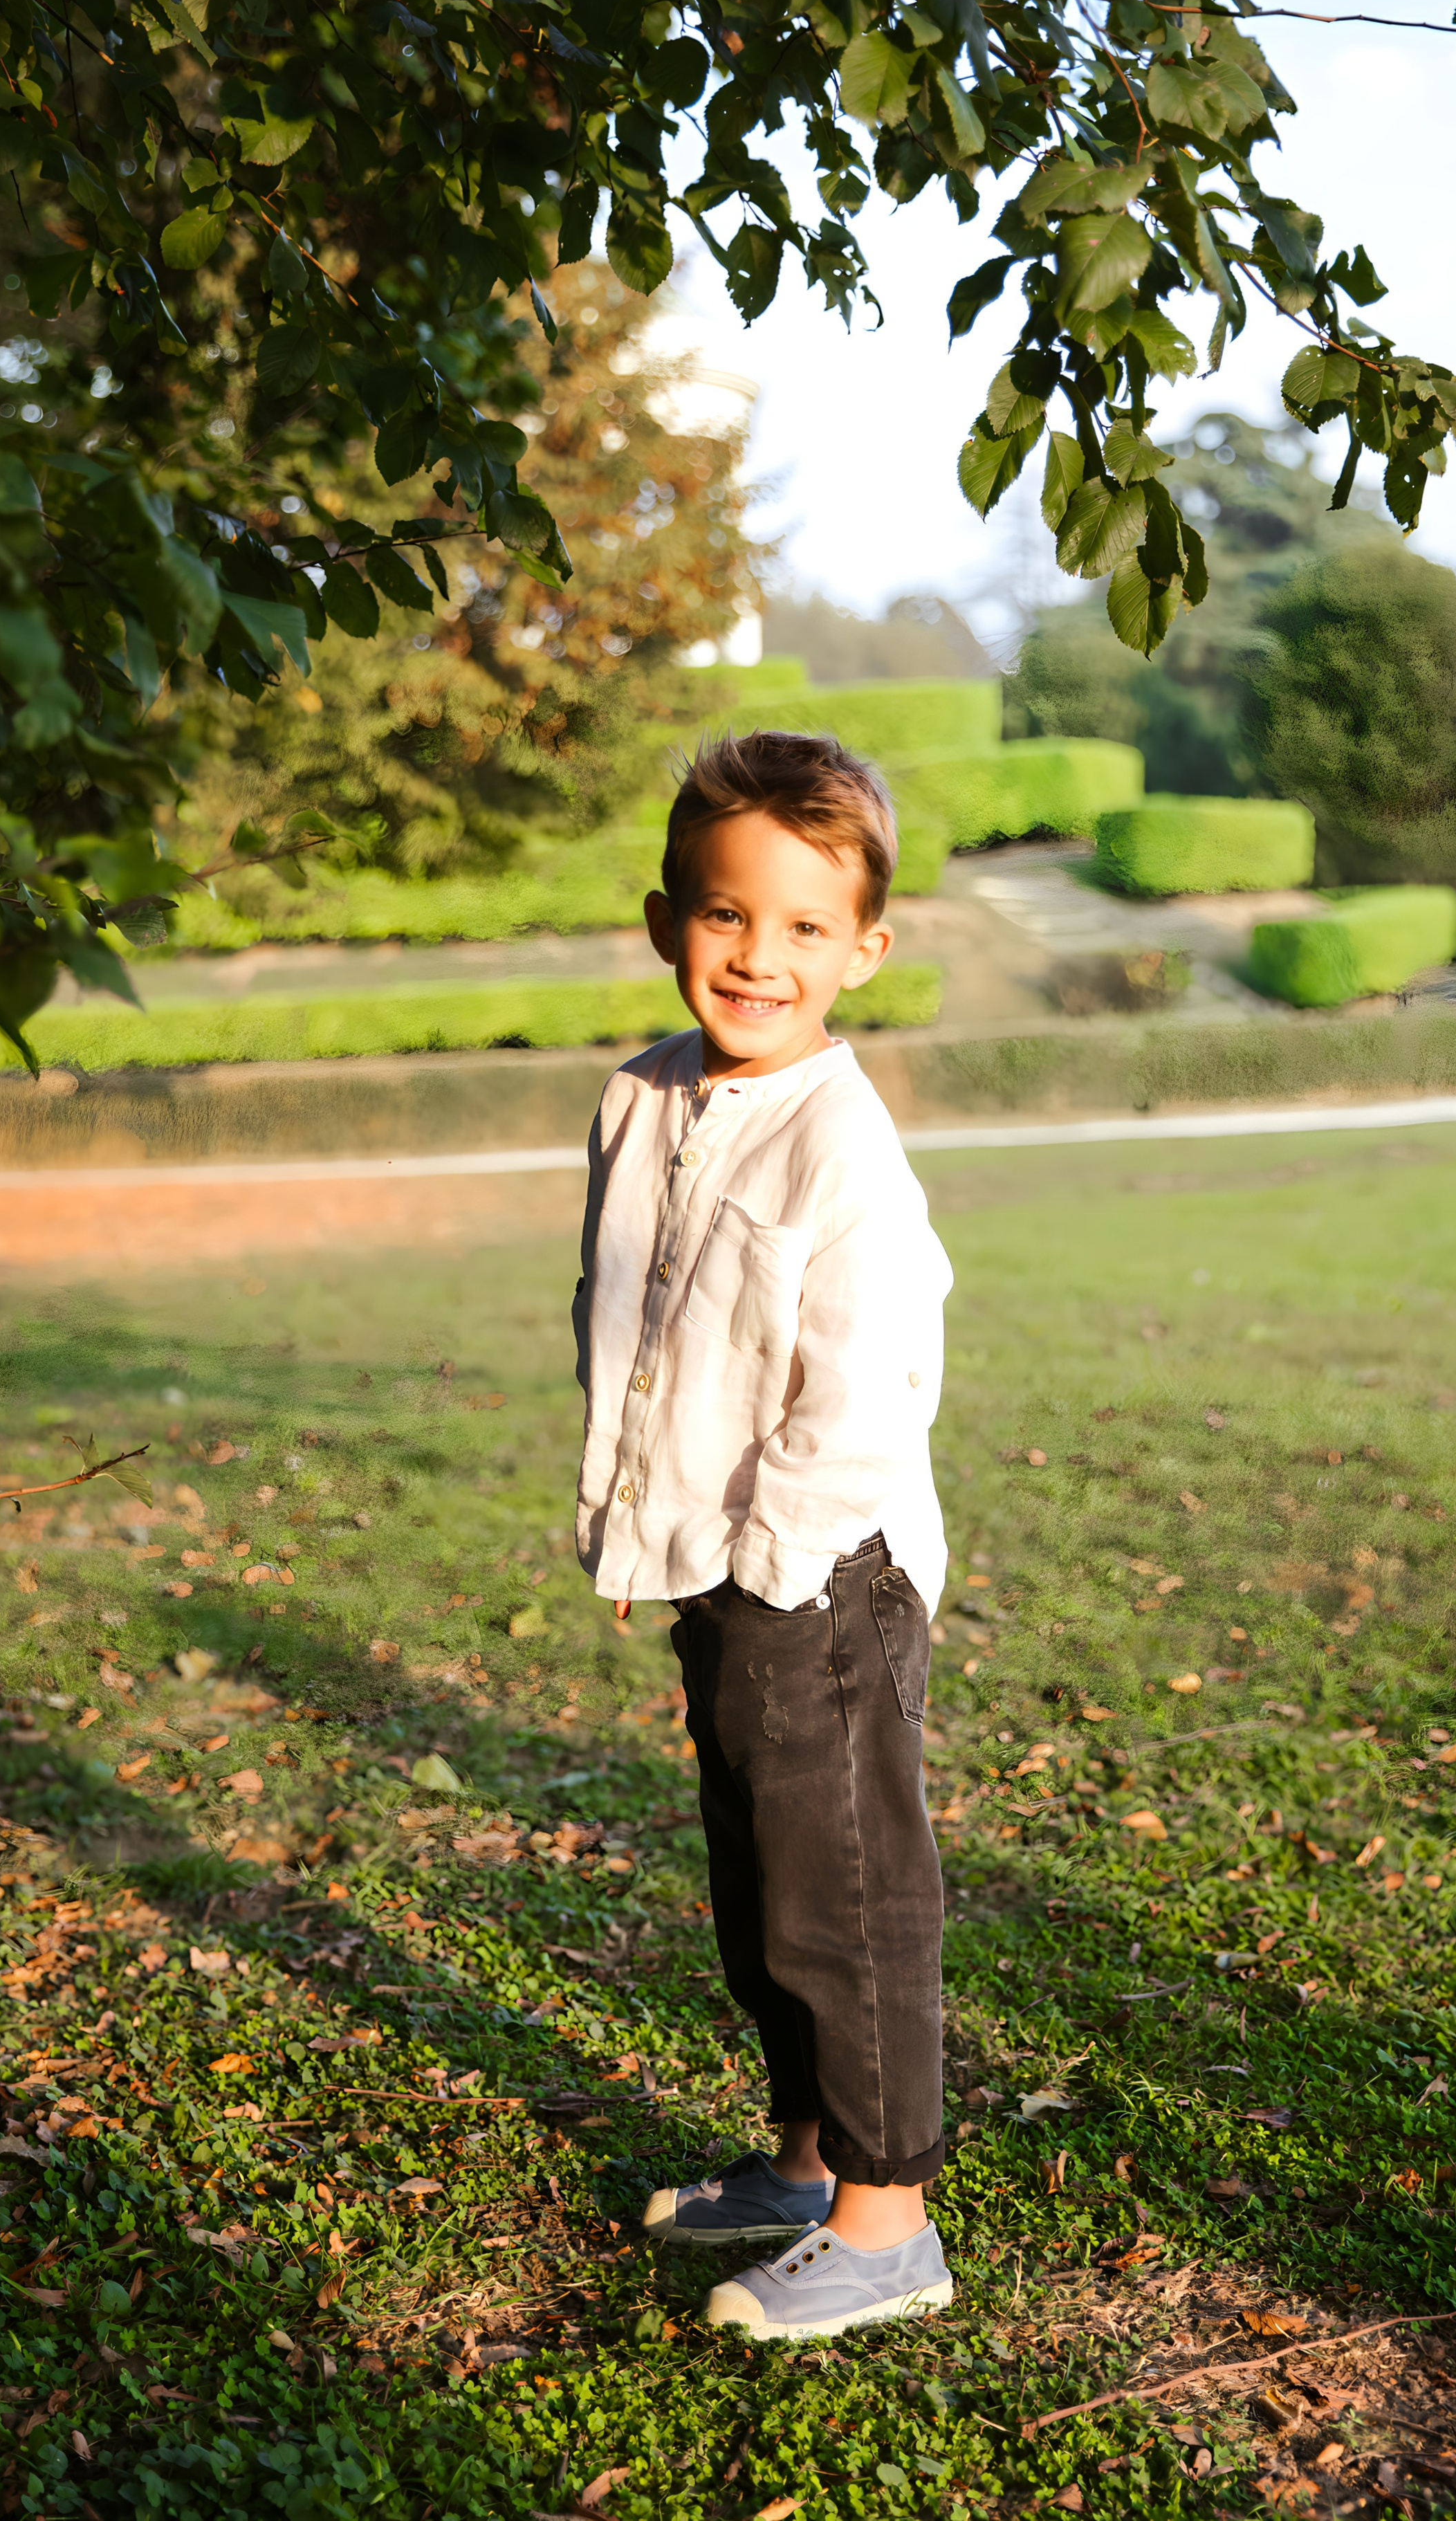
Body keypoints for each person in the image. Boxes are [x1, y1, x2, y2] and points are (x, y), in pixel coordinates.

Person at [571, 729, 955, 2342]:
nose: (759, 955)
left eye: (805, 927)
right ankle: (803, 2166)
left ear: (863, 947)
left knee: (845, 1895)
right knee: (759, 1885)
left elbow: (865, 1386)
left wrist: (775, 1567)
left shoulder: (837, 1143)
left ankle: (887, 2225)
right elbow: (631, 1326)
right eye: (729, 916)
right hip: (713, 1562)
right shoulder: (641, 1094)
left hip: (819, 1571)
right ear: (668, 922)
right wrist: (636, 1527)